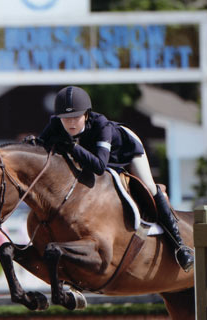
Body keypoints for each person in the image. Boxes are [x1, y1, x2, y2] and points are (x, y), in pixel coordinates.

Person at [27, 86, 194, 272]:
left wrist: (72, 147)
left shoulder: (101, 126)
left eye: (76, 117)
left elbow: (99, 166)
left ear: (87, 115)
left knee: (149, 187)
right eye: (66, 118)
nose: (71, 122)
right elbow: (42, 149)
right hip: (93, 157)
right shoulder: (56, 124)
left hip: (126, 152)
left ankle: (180, 246)